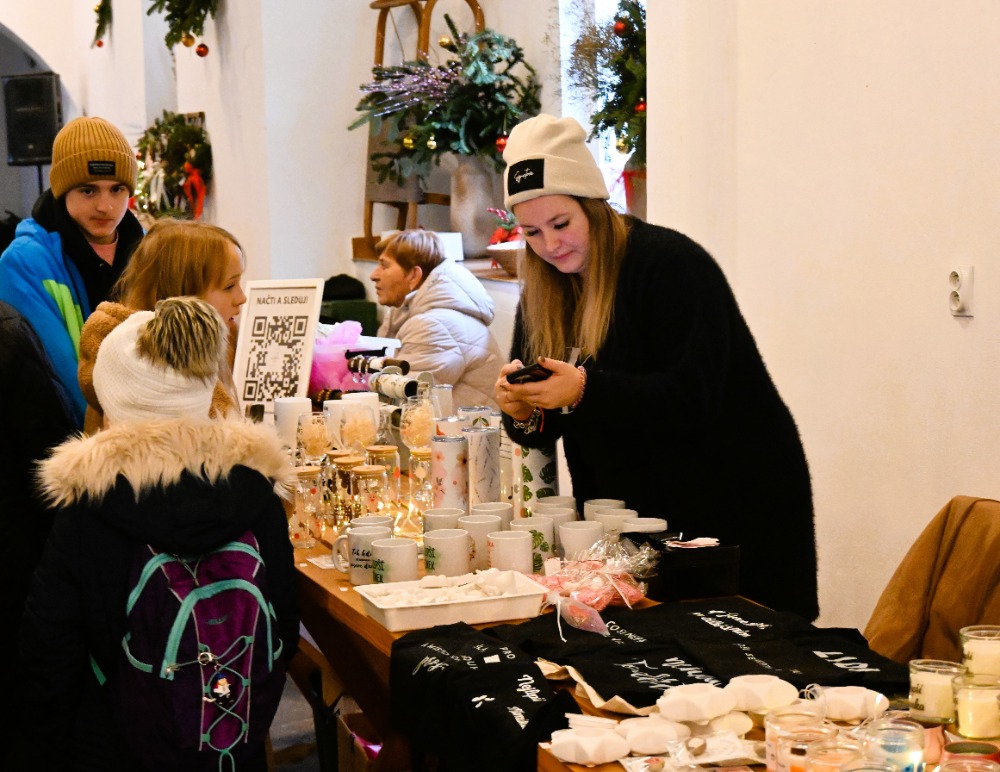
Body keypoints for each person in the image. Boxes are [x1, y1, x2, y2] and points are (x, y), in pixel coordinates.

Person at [494, 114, 818, 620]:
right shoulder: (543, 288)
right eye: (532, 232)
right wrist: (521, 409)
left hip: (731, 498)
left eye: (561, 224)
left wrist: (584, 390)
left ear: (594, 206)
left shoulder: (669, 263)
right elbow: (544, 426)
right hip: (630, 517)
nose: (551, 245)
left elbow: (693, 399)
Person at [18, 296, 299, 771]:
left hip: (119, 745)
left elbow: (50, 648)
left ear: (111, 402)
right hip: (230, 737)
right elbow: (285, 625)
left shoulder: (88, 509)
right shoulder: (257, 494)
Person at [0, 116, 143, 428]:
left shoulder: (148, 249)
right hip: (73, 439)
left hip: (147, 431)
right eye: (88, 191)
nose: (105, 206)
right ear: (62, 190)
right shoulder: (23, 262)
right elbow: (58, 375)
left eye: (117, 189)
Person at [78, 217, 246, 432]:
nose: (241, 297)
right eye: (229, 286)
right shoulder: (141, 381)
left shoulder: (228, 341)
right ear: (184, 295)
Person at [371, 229, 502, 409]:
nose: (374, 275)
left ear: (414, 275)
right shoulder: (415, 315)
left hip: (464, 426)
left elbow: (406, 406)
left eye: (384, 266)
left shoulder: (433, 326)